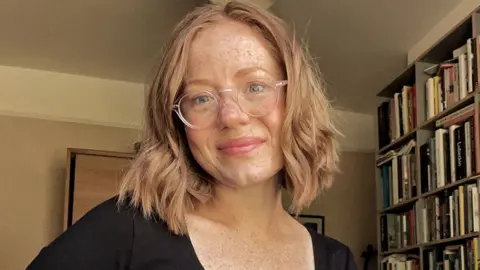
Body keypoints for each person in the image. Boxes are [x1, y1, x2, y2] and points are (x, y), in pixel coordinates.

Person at [27, 1, 357, 269]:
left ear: (296, 101)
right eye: (201, 98)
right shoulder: (123, 231)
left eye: (255, 87)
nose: (231, 116)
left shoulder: (335, 260)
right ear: (178, 124)